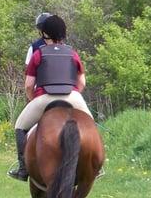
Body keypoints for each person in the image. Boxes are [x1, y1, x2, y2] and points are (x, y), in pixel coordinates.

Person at [8, 15, 93, 181]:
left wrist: (33, 99)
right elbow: (82, 81)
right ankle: (95, 165)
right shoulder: (73, 54)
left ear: (45, 34)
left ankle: (23, 168)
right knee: (90, 126)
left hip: (45, 97)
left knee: (19, 126)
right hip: (72, 96)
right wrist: (74, 96)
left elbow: (28, 85)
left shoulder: (38, 54)